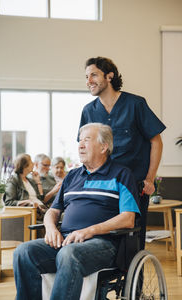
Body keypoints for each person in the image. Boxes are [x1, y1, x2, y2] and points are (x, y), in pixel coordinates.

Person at [13, 123, 140, 300]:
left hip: (102, 244)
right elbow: (53, 211)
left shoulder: (121, 174)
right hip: (65, 240)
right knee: (23, 252)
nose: (80, 145)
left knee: (69, 253)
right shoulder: (72, 176)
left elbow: (128, 219)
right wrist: (50, 229)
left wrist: (89, 231)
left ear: (104, 147)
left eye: (86, 140)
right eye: (79, 141)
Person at [78, 56, 166, 250]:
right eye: (86, 77)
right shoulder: (88, 111)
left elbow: (156, 141)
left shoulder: (135, 104)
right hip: (102, 185)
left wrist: (150, 179)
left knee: (133, 241)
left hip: (134, 185)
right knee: (101, 235)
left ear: (109, 76)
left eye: (93, 75)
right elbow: (86, 148)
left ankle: (135, 280)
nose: (88, 81)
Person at [4, 153, 47, 219]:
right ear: (25, 166)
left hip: (41, 209)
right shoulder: (13, 181)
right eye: (31, 162)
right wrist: (27, 202)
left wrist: (38, 181)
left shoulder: (30, 180)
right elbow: (8, 202)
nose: (33, 163)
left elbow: (41, 198)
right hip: (32, 212)